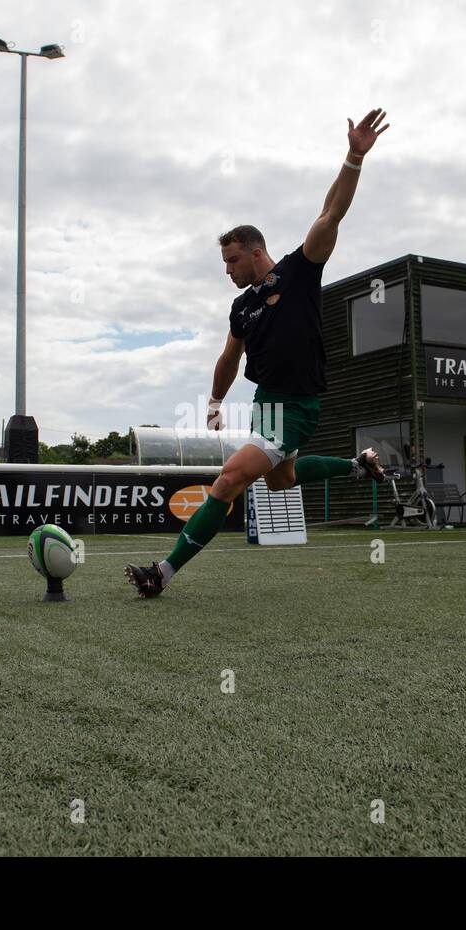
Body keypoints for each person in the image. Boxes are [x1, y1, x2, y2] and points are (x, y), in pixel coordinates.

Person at [124, 109, 392, 597]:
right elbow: (228, 358)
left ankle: (162, 572)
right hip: (267, 401)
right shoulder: (240, 306)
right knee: (281, 481)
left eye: (231, 260)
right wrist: (212, 402)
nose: (226, 269)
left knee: (228, 481)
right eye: (223, 261)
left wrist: (353, 156)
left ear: (254, 251)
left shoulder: (299, 270)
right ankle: (358, 466)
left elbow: (330, 213)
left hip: (298, 403)